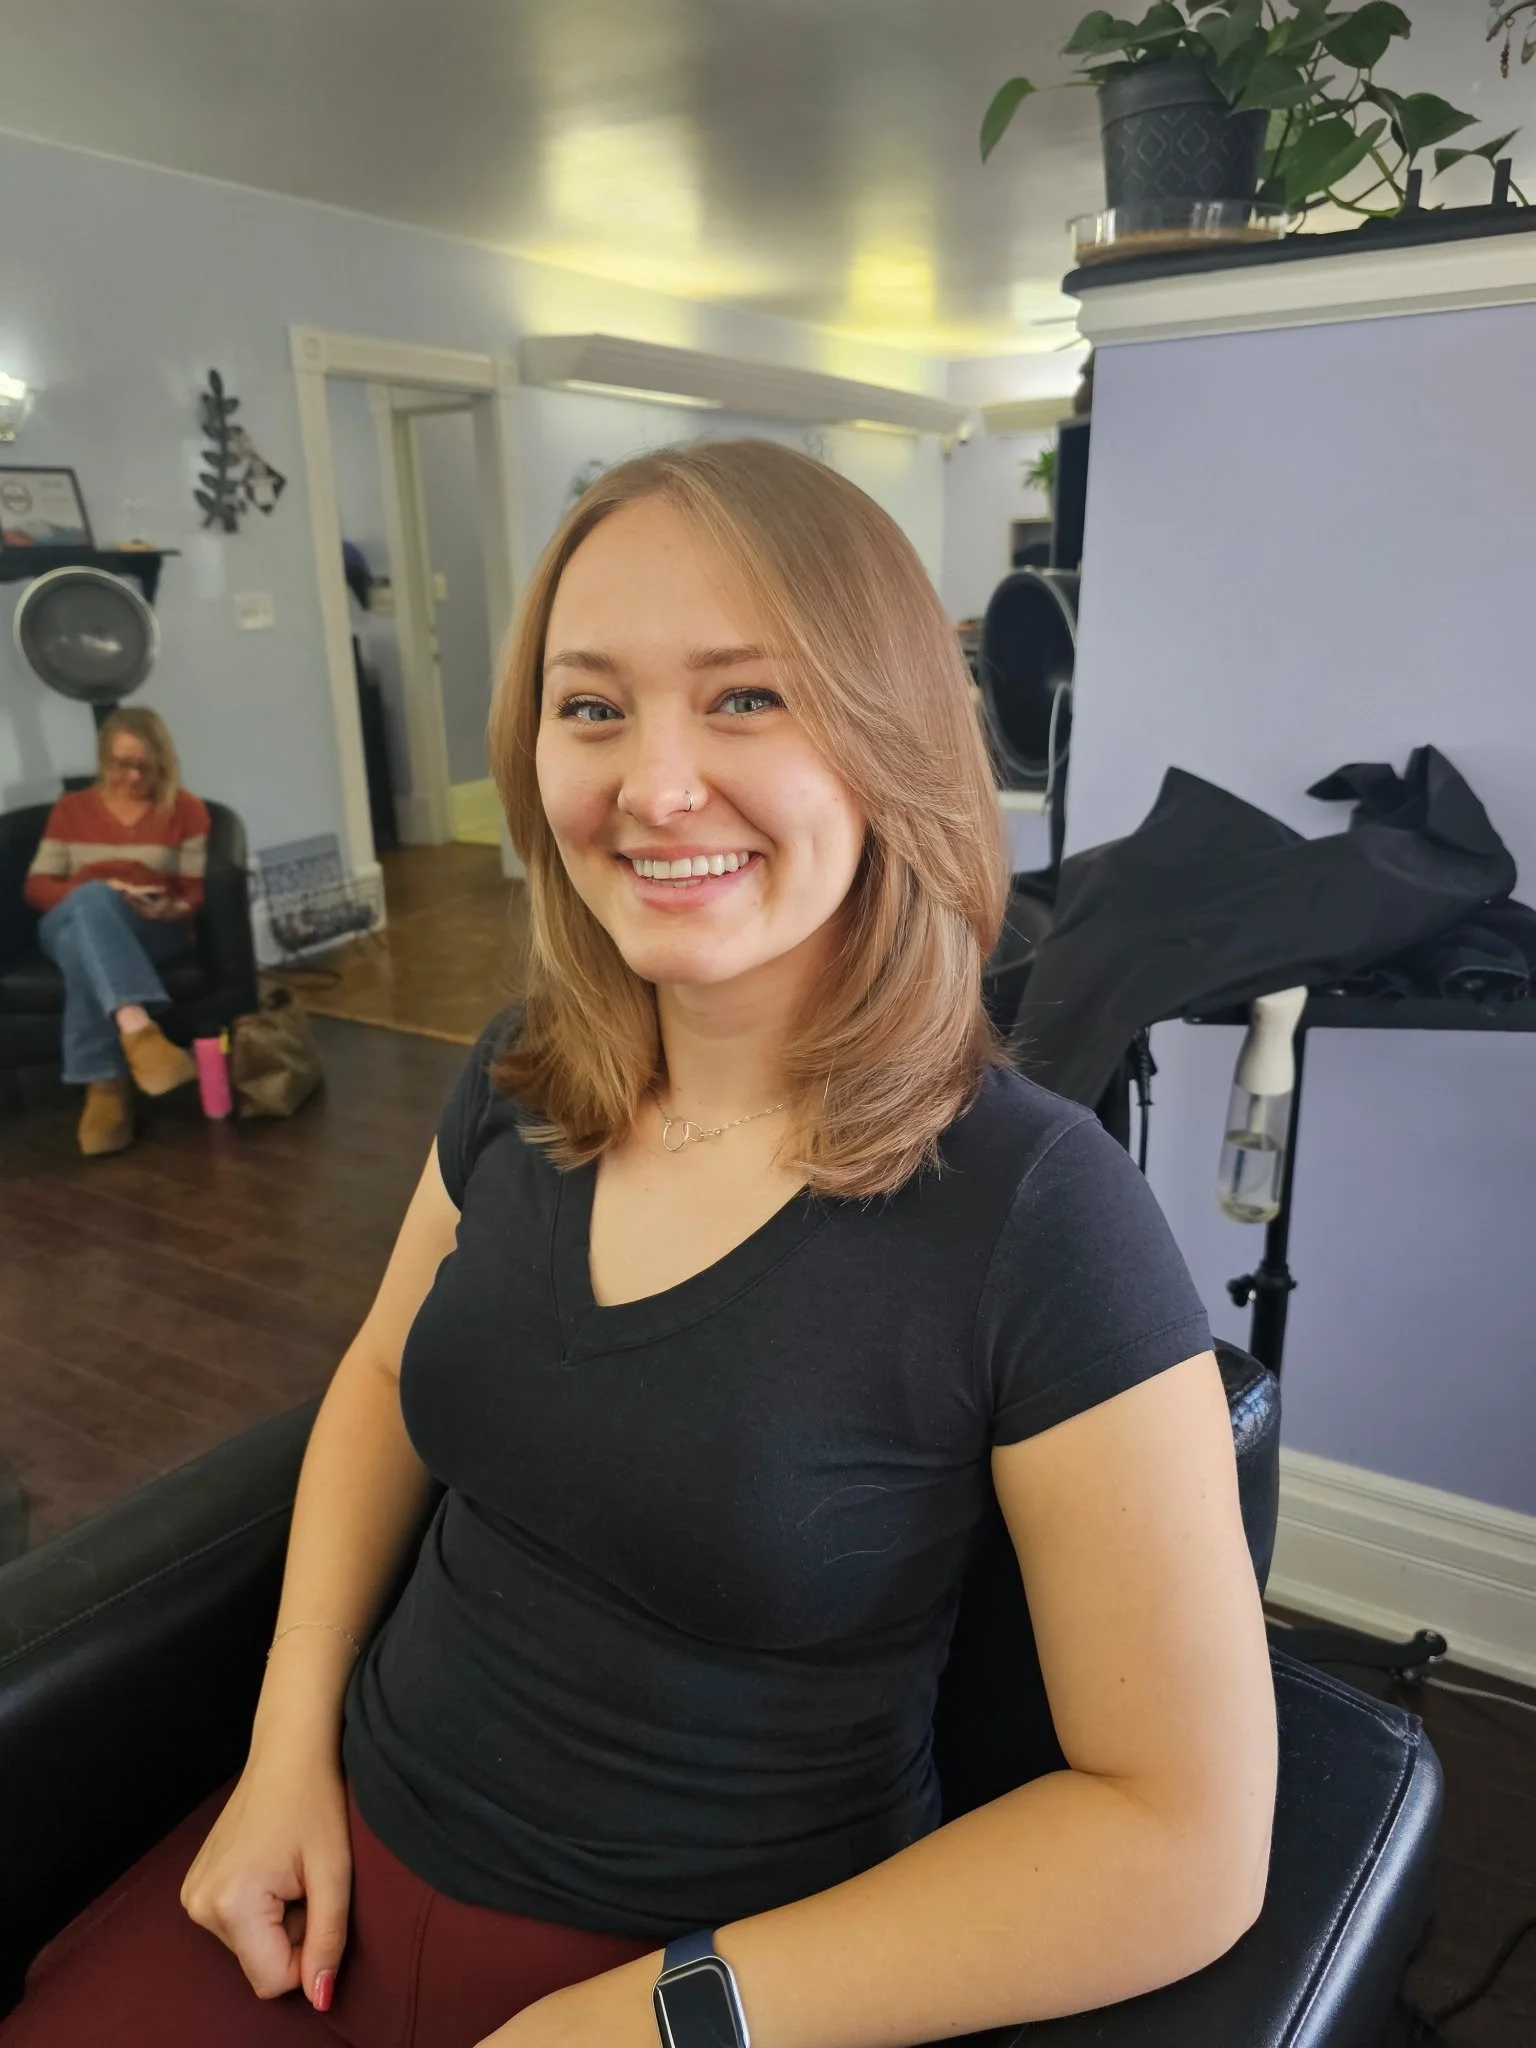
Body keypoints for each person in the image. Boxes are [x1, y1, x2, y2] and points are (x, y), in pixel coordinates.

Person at [1, 441, 1277, 2048]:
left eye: (748, 699)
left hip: (721, 1975)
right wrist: (282, 1750)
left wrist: (654, 2022)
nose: (654, 787)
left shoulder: (1037, 1208)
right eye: (592, 706)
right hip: (330, 1871)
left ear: (890, 738)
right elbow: (389, 1374)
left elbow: (1184, 1842)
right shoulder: (520, 1076)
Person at [24, 707, 207, 1156]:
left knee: (79, 944)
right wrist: (103, 889)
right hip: (66, 914)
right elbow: (37, 885)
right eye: (121, 764)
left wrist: (172, 909)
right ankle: (140, 1035)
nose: (131, 776)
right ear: (104, 760)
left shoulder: (186, 811)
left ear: (162, 762)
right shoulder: (71, 810)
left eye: (143, 766)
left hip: (149, 927)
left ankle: (106, 1086)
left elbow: (194, 893)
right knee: (92, 901)